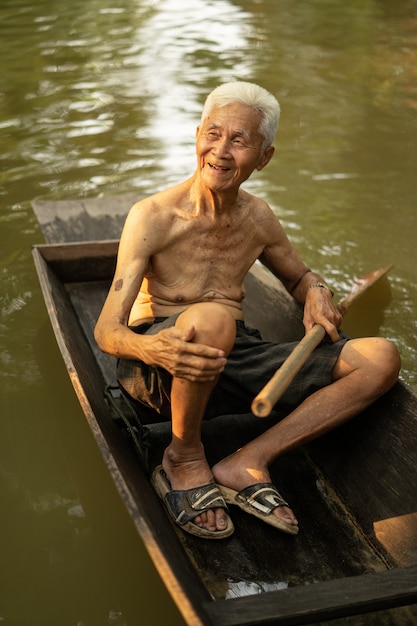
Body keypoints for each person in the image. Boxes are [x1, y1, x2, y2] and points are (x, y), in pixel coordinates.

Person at [94, 81, 400, 539]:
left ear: (264, 157)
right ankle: (183, 455)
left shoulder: (258, 218)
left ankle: (248, 460)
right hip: (162, 368)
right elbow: (106, 331)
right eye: (213, 134)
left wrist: (316, 291)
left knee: (382, 357)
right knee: (212, 319)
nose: (220, 150)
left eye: (239, 140)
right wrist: (155, 350)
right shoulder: (153, 216)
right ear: (197, 134)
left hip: (237, 361)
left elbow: (300, 276)